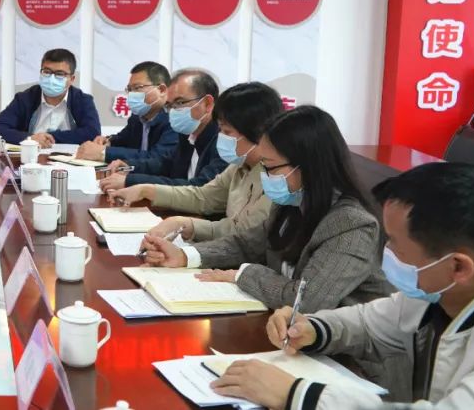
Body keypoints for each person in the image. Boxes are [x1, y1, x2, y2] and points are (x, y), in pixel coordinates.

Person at [211, 162, 474, 410]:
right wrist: (312, 328)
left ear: (459, 267)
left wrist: (296, 394)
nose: (385, 251)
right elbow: (368, 323)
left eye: (395, 244)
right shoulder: (436, 294)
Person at [139, 105, 391, 311]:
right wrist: (184, 256)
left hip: (345, 352)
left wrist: (242, 275)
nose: (265, 176)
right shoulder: (291, 203)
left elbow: (307, 300)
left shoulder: (351, 224)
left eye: (270, 168)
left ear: (308, 166)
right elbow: (246, 244)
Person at [111, 82, 282, 243]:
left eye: (227, 131)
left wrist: (185, 224)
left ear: (258, 131)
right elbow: (203, 197)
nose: (221, 137)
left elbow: (245, 233)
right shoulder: (240, 164)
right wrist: (147, 190)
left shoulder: (279, 178)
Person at [98, 68, 227, 191]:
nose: (173, 111)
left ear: (207, 104)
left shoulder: (225, 142)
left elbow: (199, 188)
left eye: (180, 103)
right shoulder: (187, 134)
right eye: (170, 105)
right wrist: (129, 166)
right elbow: (165, 164)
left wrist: (131, 181)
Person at [0, 48, 101, 147]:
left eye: (59, 74)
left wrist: (50, 138)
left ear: (71, 79)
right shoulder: (25, 98)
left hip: (69, 160)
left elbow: (93, 133)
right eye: (47, 72)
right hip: (30, 159)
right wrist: (30, 138)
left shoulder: (82, 100)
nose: (51, 78)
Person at [75, 61, 178, 167]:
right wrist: (108, 141)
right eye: (129, 89)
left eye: (137, 88)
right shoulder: (137, 118)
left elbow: (156, 159)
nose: (131, 94)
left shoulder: (175, 120)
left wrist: (103, 152)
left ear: (161, 90)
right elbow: (122, 139)